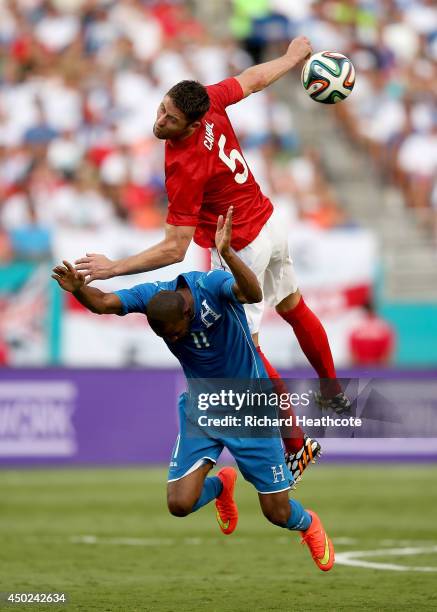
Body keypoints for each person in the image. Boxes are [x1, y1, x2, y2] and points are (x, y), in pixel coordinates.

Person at [74, 35, 349, 481]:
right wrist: (294, 58)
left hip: (239, 245)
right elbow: (252, 79)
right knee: (295, 307)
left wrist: (113, 268)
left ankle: (296, 445)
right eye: (162, 108)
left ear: (189, 124)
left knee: (249, 354)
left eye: (171, 118)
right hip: (269, 220)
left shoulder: (185, 164)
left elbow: (174, 248)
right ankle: (332, 388)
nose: (160, 120)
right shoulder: (210, 102)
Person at [53, 208, 334, 572]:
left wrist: (230, 256)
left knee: (277, 513)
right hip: (203, 410)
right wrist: (79, 290)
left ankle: (308, 523)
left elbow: (251, 293)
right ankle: (221, 486)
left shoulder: (212, 287)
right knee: (179, 504)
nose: (171, 339)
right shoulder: (154, 296)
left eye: (172, 332)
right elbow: (105, 303)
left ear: (187, 314)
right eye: (163, 335)